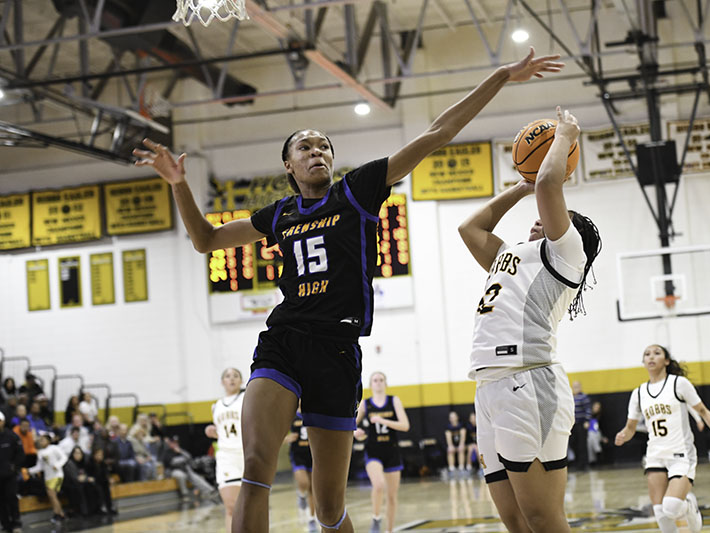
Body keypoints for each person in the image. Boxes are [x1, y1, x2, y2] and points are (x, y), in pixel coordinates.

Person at [134, 46, 564, 533]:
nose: (317, 153)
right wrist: (178, 184)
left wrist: (503, 75)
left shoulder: (356, 191)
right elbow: (206, 240)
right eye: (306, 148)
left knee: (329, 509)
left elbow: (437, 133)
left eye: (324, 147)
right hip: (284, 342)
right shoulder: (277, 215)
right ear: (289, 166)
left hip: (337, 352)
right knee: (256, 467)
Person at [458, 107, 602, 533]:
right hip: (488, 388)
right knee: (517, 524)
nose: (544, 214)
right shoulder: (512, 254)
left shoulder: (565, 256)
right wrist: (519, 189)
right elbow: (470, 228)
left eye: (559, 217)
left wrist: (566, 134)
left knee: (544, 520)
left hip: (529, 383)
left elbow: (548, 183)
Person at [615, 344, 710, 533]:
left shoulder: (679, 384)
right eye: (647, 354)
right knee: (660, 513)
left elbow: (702, 411)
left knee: (671, 507)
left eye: (657, 353)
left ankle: (689, 506)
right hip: (655, 454)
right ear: (643, 362)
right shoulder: (638, 393)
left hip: (680, 453)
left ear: (666, 361)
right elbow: (630, 428)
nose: (651, 357)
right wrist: (623, 435)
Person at [354, 372, 410, 533]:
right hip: (373, 451)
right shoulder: (366, 404)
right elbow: (352, 426)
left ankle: (389, 530)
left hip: (392, 451)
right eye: (375, 380)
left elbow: (405, 425)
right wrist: (356, 432)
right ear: (371, 385)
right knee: (378, 485)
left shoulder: (394, 401)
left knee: (392, 496)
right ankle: (376, 518)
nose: (378, 383)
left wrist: (382, 420)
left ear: (386, 383)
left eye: (381, 380)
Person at [205, 368, 246, 533]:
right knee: (231, 506)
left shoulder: (246, 398)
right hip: (227, 457)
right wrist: (212, 430)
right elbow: (220, 431)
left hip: (247, 455)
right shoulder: (216, 406)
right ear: (222, 382)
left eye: (236, 376)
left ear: (241, 381)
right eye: (228, 376)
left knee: (249, 507)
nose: (232, 379)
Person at [285, 407, 317, 532]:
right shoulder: (291, 415)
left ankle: (311, 519)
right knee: (304, 482)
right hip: (297, 454)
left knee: (313, 489)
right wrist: (287, 438)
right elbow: (277, 435)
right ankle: (301, 495)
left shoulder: (314, 413)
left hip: (312, 454)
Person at [28, 435, 68, 524]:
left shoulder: (54, 448)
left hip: (57, 475)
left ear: (48, 441)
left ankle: (56, 514)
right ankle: (61, 514)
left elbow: (64, 457)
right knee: (52, 496)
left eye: (43, 440)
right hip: (48, 477)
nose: (41, 442)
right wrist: (29, 471)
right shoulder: (40, 452)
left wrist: (57, 465)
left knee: (52, 495)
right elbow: (40, 466)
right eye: (40, 440)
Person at [0, 411, 24, 533]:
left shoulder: (12, 436)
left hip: (9, 476)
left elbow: (20, 453)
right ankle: (5, 524)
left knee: (11, 498)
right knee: (1, 501)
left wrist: (15, 466)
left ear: (3, 422)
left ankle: (16, 523)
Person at [570, 381, 591, 472]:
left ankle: (584, 464)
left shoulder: (584, 397)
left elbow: (588, 410)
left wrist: (587, 421)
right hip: (572, 425)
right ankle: (578, 463)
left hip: (582, 424)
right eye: (574, 386)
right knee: (573, 444)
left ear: (580, 387)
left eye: (577, 386)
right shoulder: (570, 397)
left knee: (582, 445)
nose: (576, 388)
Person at [444, 411, 466, 476]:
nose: (452, 419)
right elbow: (448, 437)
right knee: (450, 450)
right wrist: (450, 446)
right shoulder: (448, 427)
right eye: (451, 417)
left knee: (461, 449)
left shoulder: (461, 425)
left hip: (460, 444)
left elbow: (463, 436)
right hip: (453, 445)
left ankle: (461, 468)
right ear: (449, 419)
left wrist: (461, 444)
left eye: (454, 417)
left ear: (457, 417)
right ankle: (452, 469)